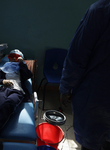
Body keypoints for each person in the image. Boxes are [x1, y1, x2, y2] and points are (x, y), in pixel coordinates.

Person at [59, 0, 110, 150]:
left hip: (97, 99)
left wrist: (65, 89)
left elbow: (77, 56)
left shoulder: (100, 11)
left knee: (92, 142)